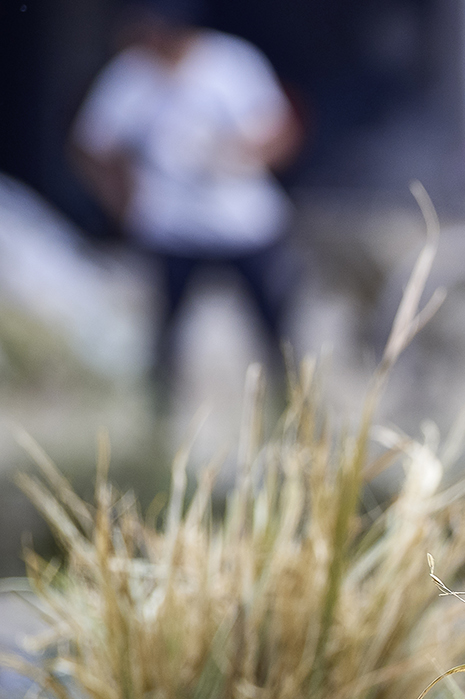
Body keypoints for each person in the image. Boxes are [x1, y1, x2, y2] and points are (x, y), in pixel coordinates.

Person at [71, 0, 301, 405]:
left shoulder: (232, 63)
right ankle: (160, 421)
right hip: (171, 225)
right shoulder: (130, 73)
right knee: (167, 331)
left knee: (273, 325)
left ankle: (291, 409)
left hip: (242, 222)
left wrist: (242, 153)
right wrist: (121, 203)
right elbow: (92, 144)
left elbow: (281, 130)